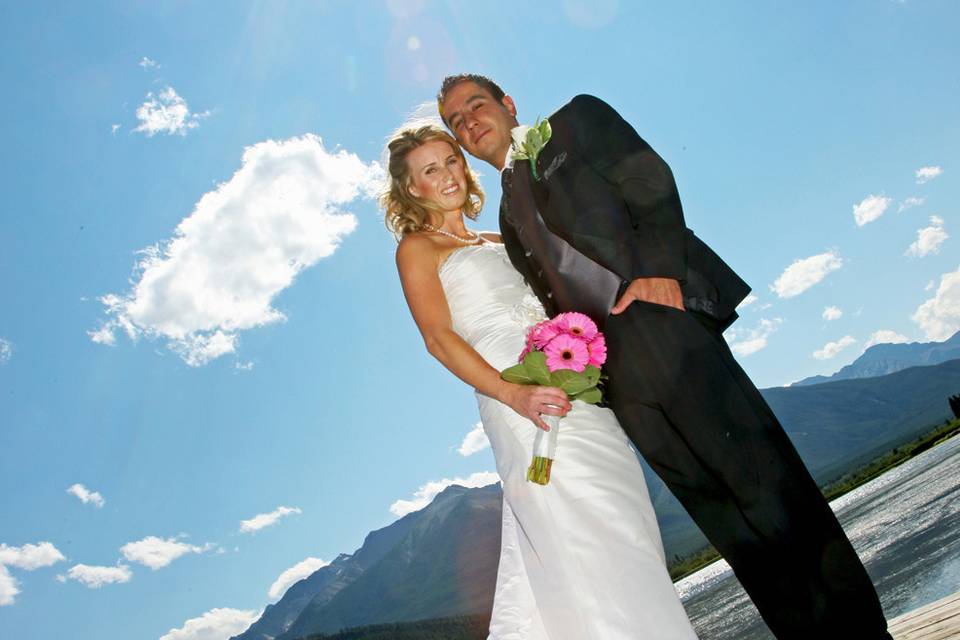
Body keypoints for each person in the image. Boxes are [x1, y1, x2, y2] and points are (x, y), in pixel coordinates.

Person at [437, 74, 892, 640]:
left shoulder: (573, 124)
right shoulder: (506, 217)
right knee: (726, 521)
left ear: (508, 105)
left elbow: (647, 177)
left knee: (768, 486)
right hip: (618, 381)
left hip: (663, 328)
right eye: (455, 121)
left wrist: (658, 273)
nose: (468, 122)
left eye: (475, 106)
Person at [385, 123, 698, 639]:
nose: (447, 175)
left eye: (452, 161)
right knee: (582, 528)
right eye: (430, 170)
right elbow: (439, 338)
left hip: (574, 386)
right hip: (515, 397)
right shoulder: (418, 249)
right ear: (412, 188)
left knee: (623, 519)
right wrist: (512, 392)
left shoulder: (499, 236)